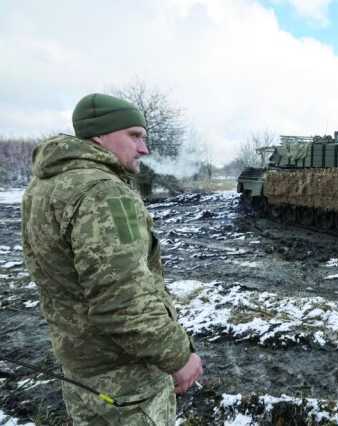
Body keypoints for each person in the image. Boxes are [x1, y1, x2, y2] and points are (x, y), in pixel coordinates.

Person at [21, 93, 203, 425]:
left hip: (81, 365)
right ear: (100, 135)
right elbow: (121, 301)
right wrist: (179, 356)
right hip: (124, 374)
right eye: (135, 136)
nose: (144, 149)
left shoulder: (45, 186)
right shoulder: (104, 193)